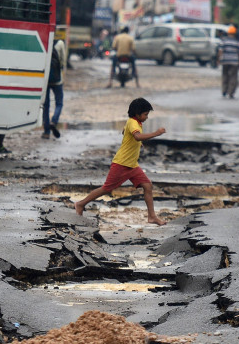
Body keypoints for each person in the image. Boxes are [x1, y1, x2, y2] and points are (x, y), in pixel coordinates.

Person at [74, 97, 166, 226]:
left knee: (147, 186)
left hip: (132, 165)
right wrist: (156, 133)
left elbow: (125, 132)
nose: (147, 117)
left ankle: (152, 217)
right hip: (122, 164)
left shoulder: (134, 122)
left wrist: (137, 145)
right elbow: (138, 136)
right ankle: (80, 204)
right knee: (106, 189)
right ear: (137, 114)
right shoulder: (133, 122)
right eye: (145, 114)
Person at [42, 37, 66, 139]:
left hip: (46, 79)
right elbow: (63, 60)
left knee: (46, 105)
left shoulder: (44, 40)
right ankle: (54, 121)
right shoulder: (60, 43)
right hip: (57, 79)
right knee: (59, 103)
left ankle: (46, 132)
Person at [217, 28, 239, 99]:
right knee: (233, 77)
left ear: (228, 33)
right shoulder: (237, 42)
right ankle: (231, 92)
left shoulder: (224, 41)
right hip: (234, 61)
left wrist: (219, 59)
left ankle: (224, 91)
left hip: (225, 60)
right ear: (234, 33)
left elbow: (220, 50)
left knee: (225, 75)